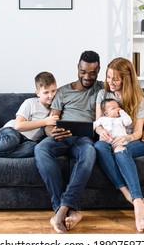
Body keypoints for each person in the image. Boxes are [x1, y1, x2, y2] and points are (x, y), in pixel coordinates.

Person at [34, 50, 103, 234]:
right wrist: (51, 132)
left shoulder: (102, 90)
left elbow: (129, 94)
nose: (87, 76)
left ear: (99, 70)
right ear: (77, 68)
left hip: (85, 138)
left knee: (90, 153)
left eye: (92, 73)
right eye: (83, 71)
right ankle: (62, 210)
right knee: (40, 149)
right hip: (62, 136)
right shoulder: (63, 92)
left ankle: (62, 209)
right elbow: (51, 120)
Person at [94, 57, 144, 232]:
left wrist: (125, 140)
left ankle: (136, 201)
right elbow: (98, 123)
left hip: (132, 142)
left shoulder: (138, 100)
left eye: (116, 79)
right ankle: (130, 196)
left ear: (126, 79)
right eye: (108, 77)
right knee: (99, 147)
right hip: (107, 140)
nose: (110, 82)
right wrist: (100, 132)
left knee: (119, 150)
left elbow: (138, 133)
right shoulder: (102, 95)